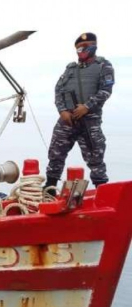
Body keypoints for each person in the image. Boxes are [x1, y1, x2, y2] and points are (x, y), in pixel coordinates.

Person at [45, 32, 115, 192]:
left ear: (93, 47)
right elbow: (58, 90)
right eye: (78, 49)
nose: (81, 51)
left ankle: (102, 191)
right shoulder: (70, 69)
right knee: (55, 153)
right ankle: (49, 188)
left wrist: (87, 106)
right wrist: (62, 111)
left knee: (95, 156)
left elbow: (106, 90)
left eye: (85, 47)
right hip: (68, 119)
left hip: (90, 120)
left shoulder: (104, 66)